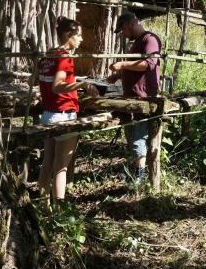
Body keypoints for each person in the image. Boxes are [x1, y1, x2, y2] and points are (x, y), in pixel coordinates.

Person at [38, 16, 98, 208]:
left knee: (47, 163)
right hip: (63, 114)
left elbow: (46, 81)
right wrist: (83, 84)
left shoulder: (48, 55)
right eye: (78, 35)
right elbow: (57, 86)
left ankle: (42, 206)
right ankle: (59, 211)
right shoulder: (64, 57)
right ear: (67, 35)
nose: (81, 39)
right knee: (61, 167)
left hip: (48, 114)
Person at [108, 11, 162, 180]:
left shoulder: (149, 39)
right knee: (132, 135)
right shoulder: (139, 41)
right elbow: (135, 67)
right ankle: (136, 171)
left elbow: (149, 64)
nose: (123, 34)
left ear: (131, 24)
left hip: (143, 97)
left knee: (139, 136)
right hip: (131, 96)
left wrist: (122, 64)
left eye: (123, 29)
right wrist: (119, 75)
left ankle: (140, 176)